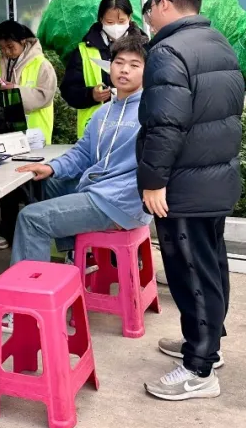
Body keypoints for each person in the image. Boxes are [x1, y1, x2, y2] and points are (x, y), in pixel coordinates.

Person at [137, 0, 244, 402]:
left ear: (164, 2)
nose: (147, 17)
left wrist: (153, 180)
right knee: (211, 264)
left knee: (191, 273)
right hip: (214, 178)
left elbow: (166, 124)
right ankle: (207, 343)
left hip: (184, 183)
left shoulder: (168, 51)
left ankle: (199, 369)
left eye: (148, 8)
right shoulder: (217, 42)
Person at [12, 32, 151, 265]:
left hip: (121, 202)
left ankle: (31, 286)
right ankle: (76, 253)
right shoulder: (104, 112)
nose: (124, 70)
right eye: (119, 62)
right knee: (47, 182)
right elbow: (83, 152)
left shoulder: (150, 112)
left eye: (134, 65)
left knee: (31, 219)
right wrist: (52, 167)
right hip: (102, 190)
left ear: (149, 71)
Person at [0, 20, 57, 250]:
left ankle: (35, 234)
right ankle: (6, 231)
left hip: (34, 134)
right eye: (3, 48)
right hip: (5, 133)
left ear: (23, 42)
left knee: (33, 187)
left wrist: (14, 91)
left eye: (11, 47)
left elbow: (44, 96)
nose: (7, 52)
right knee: (6, 185)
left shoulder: (41, 64)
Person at [60, 0, 146, 139]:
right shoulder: (84, 50)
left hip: (135, 127)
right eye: (110, 22)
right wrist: (91, 95)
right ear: (101, 19)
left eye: (121, 21)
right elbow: (68, 90)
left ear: (130, 18)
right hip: (95, 131)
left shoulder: (145, 47)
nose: (116, 27)